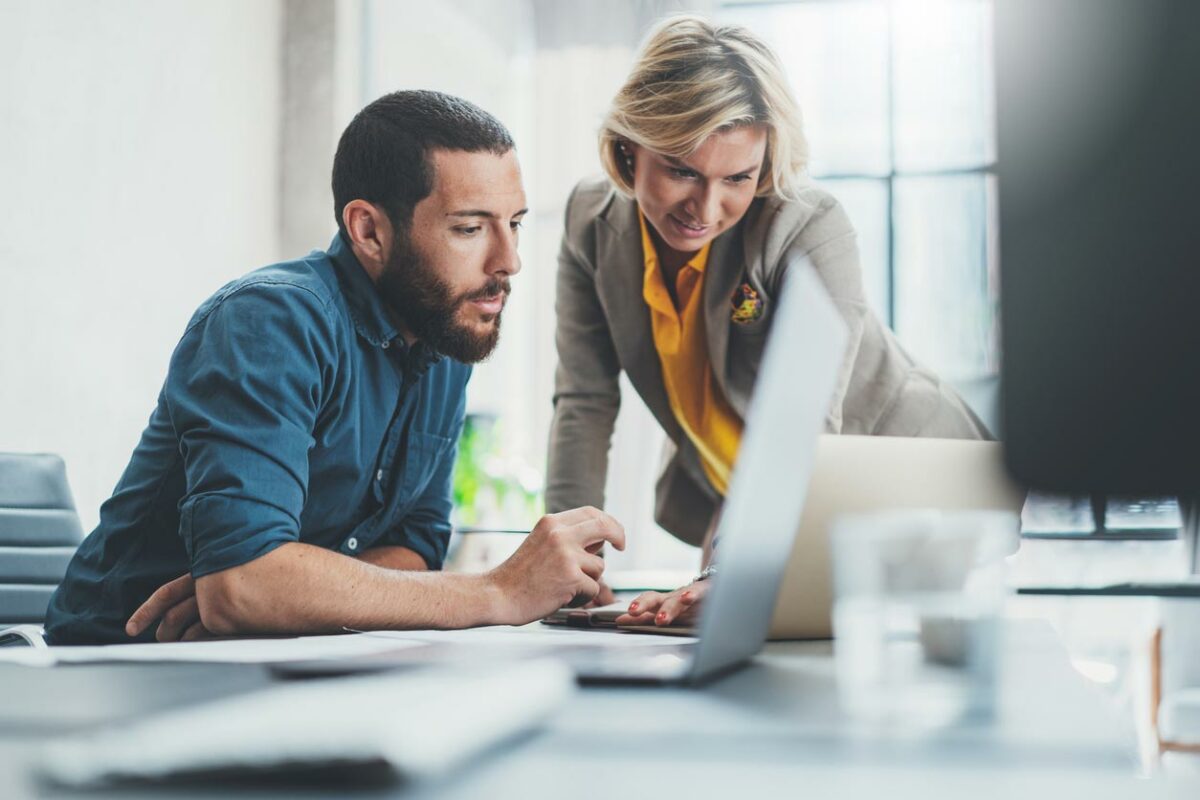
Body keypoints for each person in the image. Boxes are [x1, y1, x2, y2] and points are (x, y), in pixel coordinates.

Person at [45, 90, 623, 645]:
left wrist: (286, 595)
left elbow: (414, 547)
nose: (509, 260)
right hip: (117, 664)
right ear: (369, 230)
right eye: (470, 229)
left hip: (277, 661)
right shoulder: (269, 321)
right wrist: (496, 592)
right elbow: (242, 587)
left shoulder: (443, 334)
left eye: (514, 223)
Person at [544, 15, 986, 629]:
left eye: (738, 178)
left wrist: (730, 570)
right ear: (629, 146)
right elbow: (583, 404)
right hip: (749, 497)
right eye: (681, 170)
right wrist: (567, 566)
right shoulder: (589, 224)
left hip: (906, 484)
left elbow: (803, 431)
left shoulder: (806, 227)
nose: (706, 208)